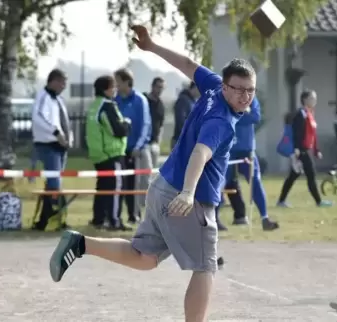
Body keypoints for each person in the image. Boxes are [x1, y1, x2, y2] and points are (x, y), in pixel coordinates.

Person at [49, 24, 254, 322]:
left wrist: (153, 46)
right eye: (238, 89)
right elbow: (200, 153)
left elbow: (187, 64)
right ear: (225, 86)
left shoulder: (211, 87)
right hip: (186, 199)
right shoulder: (221, 121)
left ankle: (80, 243)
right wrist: (188, 191)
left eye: (250, 90)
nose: (245, 96)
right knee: (206, 267)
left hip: (161, 187)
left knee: (144, 258)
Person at [216, 96, 279, 231]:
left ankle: (265, 218)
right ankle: (213, 218)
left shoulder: (251, 98)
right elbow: (224, 118)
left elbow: (255, 117)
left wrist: (237, 114)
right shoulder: (225, 98)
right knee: (220, 181)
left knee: (255, 180)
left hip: (247, 149)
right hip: (228, 148)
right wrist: (243, 113)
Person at [86, 75, 132, 231]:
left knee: (102, 188)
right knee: (116, 188)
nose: (116, 90)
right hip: (112, 154)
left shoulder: (94, 106)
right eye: (113, 87)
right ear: (106, 89)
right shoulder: (107, 106)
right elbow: (117, 130)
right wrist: (127, 124)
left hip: (98, 155)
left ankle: (98, 219)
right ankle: (114, 220)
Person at [276, 89, 332, 208]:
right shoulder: (300, 114)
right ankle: (319, 201)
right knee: (311, 175)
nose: (315, 101)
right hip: (301, 150)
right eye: (312, 98)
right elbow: (297, 133)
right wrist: (296, 149)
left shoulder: (309, 114)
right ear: (305, 99)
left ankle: (281, 201)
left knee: (293, 175)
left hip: (306, 149)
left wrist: (316, 150)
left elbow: (312, 134)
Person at [31, 69, 71, 230]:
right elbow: (38, 117)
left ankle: (44, 221)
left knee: (54, 184)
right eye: (62, 82)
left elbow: (64, 121)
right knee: (54, 183)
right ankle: (52, 219)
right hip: (48, 145)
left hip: (60, 147)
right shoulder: (43, 97)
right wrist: (56, 132)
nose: (64, 86)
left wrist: (69, 138)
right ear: (53, 81)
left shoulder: (58, 100)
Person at [114, 68, 152, 224]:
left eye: (118, 81)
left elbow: (145, 125)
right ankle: (118, 215)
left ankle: (134, 214)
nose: (116, 85)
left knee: (135, 184)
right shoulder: (116, 100)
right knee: (122, 184)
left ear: (126, 82)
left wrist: (137, 146)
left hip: (136, 150)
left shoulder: (140, 100)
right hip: (121, 150)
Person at [171, 81, 199, 149]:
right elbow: (180, 120)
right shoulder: (183, 100)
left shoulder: (194, 101)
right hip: (181, 141)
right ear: (195, 87)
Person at [145, 77, 166, 168]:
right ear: (152, 86)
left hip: (154, 143)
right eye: (158, 87)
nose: (159, 90)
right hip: (143, 143)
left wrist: (158, 141)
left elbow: (161, 124)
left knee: (153, 170)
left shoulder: (161, 105)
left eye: (162, 88)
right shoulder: (144, 101)